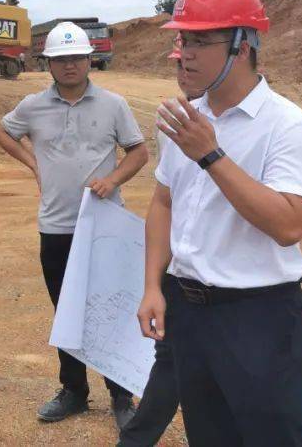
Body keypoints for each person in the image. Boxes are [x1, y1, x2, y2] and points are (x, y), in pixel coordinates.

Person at [138, 0, 302, 446]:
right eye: (184, 39)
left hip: (258, 316)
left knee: (277, 437)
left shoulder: (287, 127)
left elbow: (289, 224)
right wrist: (152, 287)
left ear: (243, 45)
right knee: (210, 435)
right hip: (189, 312)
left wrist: (211, 156)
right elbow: (163, 202)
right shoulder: (184, 119)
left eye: (202, 41)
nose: (187, 53)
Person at [0, 21, 149, 430]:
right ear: (48, 64)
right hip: (56, 227)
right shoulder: (31, 106)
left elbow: (139, 152)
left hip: (102, 225)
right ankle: (74, 391)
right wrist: (33, 164)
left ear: (89, 59)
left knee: (110, 311)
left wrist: (112, 180)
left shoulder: (113, 104)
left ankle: (121, 396)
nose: (70, 66)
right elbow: (3, 132)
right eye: (61, 60)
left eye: (77, 58)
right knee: (66, 311)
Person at [116, 34, 197, 447]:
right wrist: (154, 283)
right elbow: (164, 201)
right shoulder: (170, 120)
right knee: (169, 366)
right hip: (180, 277)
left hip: (234, 290)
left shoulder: (273, 124)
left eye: (190, 62)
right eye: (178, 64)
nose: (184, 72)